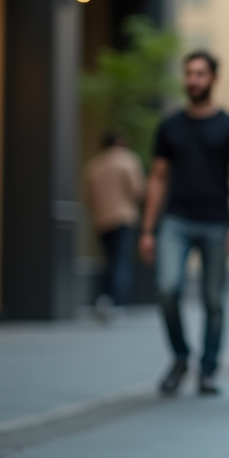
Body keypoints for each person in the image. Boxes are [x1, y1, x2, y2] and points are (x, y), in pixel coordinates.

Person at [140, 51, 229, 397]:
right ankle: (180, 357)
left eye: (200, 74)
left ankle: (208, 370)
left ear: (213, 79)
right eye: (189, 74)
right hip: (176, 220)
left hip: (217, 221)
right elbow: (157, 178)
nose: (193, 80)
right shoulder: (170, 126)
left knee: (213, 300)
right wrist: (147, 229)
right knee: (168, 289)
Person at [83, 133, 145, 322]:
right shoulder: (127, 160)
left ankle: (104, 300)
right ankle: (117, 305)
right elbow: (137, 190)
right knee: (121, 262)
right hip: (123, 217)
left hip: (101, 219)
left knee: (108, 261)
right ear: (120, 142)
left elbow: (88, 197)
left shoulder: (93, 165)